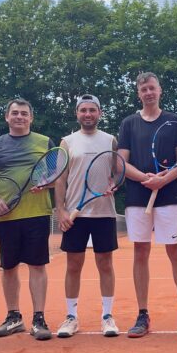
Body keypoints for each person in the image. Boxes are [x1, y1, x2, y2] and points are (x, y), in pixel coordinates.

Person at [118, 72, 177, 338]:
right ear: (138, 93)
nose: (148, 93)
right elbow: (121, 162)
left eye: (152, 88)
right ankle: (142, 315)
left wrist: (163, 179)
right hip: (137, 197)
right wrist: (146, 178)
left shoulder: (173, 122)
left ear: (160, 90)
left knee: (175, 252)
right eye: (143, 89)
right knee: (140, 253)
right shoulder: (129, 124)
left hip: (168, 197)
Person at [0, 98, 55, 341]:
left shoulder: (45, 142)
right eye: (15, 113)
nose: (19, 117)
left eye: (24, 113)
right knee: (9, 267)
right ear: (7, 117)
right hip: (7, 216)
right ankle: (14, 317)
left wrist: (46, 182)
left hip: (37, 213)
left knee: (37, 266)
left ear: (31, 118)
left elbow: (56, 176)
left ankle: (39, 318)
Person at [54, 95, 120, 338]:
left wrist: (114, 185)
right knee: (73, 265)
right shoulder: (67, 141)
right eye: (83, 110)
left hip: (104, 212)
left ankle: (107, 316)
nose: (88, 114)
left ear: (100, 113)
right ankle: (71, 316)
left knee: (105, 264)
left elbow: (116, 172)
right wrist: (60, 210)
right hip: (74, 214)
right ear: (77, 114)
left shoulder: (110, 140)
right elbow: (60, 178)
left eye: (92, 110)